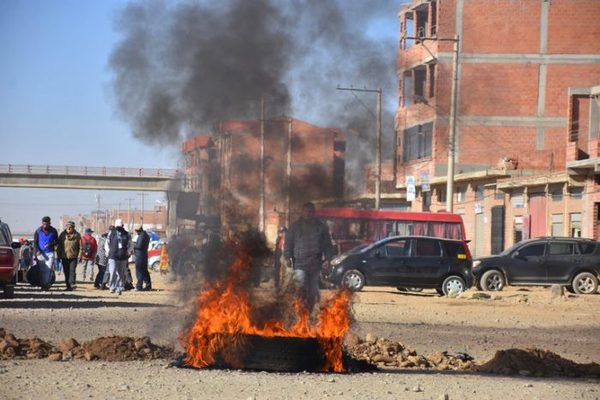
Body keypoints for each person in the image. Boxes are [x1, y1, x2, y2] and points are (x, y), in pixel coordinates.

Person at [284, 202, 333, 314]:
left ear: (314, 212)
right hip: (300, 263)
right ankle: (298, 312)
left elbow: (327, 244)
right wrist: (288, 256)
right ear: (302, 212)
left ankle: (307, 313)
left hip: (315, 264)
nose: (308, 214)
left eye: (311, 211)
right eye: (306, 211)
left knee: (312, 292)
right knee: (300, 288)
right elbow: (288, 243)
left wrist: (328, 259)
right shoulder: (295, 227)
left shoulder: (321, 227)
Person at [105, 219, 132, 295]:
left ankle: (119, 287)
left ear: (123, 226)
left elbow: (131, 244)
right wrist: (108, 251)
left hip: (122, 256)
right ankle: (112, 287)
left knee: (121, 273)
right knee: (112, 271)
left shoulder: (127, 234)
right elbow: (106, 243)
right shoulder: (111, 233)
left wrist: (128, 251)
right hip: (113, 256)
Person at [33, 216, 59, 290]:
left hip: (50, 253)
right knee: (41, 270)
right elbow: (35, 242)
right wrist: (37, 250)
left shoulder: (54, 231)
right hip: (40, 253)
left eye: (46, 224)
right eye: (43, 224)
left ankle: (45, 284)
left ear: (49, 223)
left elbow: (57, 241)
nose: (45, 226)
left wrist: (50, 244)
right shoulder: (38, 231)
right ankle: (42, 283)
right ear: (42, 223)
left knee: (48, 269)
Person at [56, 221, 82, 291]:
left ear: (73, 228)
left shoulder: (77, 235)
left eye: (70, 227)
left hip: (73, 257)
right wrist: (58, 256)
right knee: (66, 272)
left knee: (72, 271)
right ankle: (68, 286)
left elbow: (81, 247)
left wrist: (79, 256)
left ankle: (72, 284)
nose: (69, 228)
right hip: (64, 257)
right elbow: (59, 247)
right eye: (67, 226)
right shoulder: (62, 235)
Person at [133, 225, 152, 291]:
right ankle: (148, 285)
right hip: (144, 254)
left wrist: (133, 245)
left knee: (139, 271)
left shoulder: (141, 236)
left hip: (140, 255)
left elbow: (139, 246)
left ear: (138, 230)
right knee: (144, 270)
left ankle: (139, 286)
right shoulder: (146, 235)